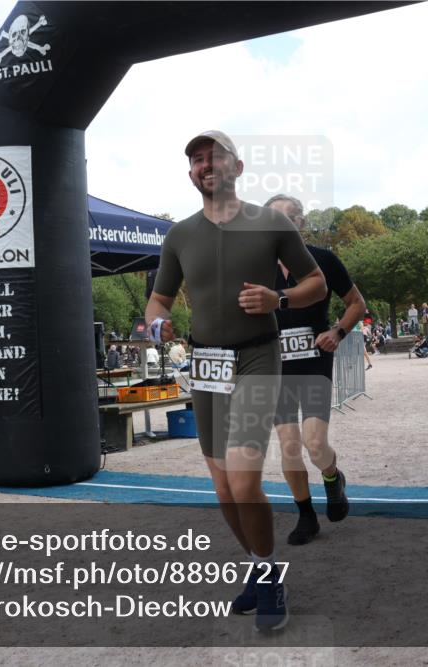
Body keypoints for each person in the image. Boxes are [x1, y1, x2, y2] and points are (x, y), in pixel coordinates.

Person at [144, 130, 327, 632]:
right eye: (197, 160)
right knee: (224, 489)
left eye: (215, 156)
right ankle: (260, 568)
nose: (206, 165)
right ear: (191, 174)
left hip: (256, 358)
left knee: (245, 480)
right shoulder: (179, 234)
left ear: (237, 167)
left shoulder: (269, 222)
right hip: (206, 365)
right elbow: (159, 299)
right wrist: (157, 321)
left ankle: (269, 578)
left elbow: (316, 282)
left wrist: (279, 299)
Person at [264, 194, 366, 546]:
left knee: (314, 442)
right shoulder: (257, 268)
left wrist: (337, 331)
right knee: (289, 446)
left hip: (314, 361)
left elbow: (357, 303)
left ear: (301, 224)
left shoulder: (322, 260)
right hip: (275, 367)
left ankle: (332, 476)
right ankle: (306, 516)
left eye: (286, 220)